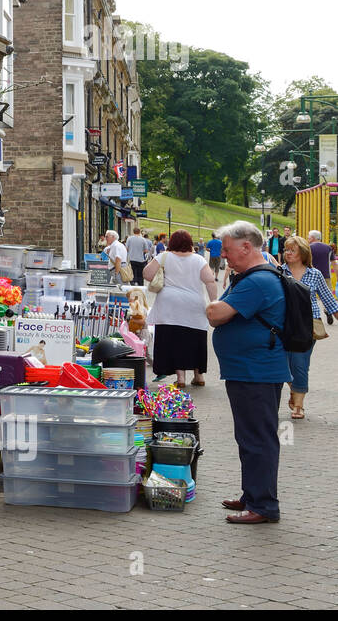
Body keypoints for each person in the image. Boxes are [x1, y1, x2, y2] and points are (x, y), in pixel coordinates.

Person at [206, 221, 290, 524]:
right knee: (250, 436)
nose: (224, 256)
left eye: (227, 250)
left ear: (246, 246)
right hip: (249, 371)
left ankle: (264, 506)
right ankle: (252, 494)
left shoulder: (257, 282)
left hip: (257, 373)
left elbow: (216, 314)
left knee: (258, 439)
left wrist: (215, 306)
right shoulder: (249, 277)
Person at [144, 230, 217, 386]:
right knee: (196, 338)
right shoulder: (198, 259)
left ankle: (181, 378)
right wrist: (214, 302)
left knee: (174, 340)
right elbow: (210, 281)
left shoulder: (164, 256)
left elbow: (147, 275)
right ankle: (199, 376)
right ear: (190, 243)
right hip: (194, 303)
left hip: (169, 304)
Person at [280, 235, 337, 420]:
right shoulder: (279, 272)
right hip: (284, 324)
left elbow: (329, 300)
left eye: (292, 250)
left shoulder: (315, 274)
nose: (288, 253)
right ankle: (294, 388)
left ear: (303, 253)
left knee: (300, 364)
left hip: (308, 326)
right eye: (286, 249)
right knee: (284, 365)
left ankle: (298, 405)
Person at [306, 231, 334, 323]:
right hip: (326, 276)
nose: (308, 239)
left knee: (310, 296)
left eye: (309, 237)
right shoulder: (328, 248)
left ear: (313, 238)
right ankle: (328, 310)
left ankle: (313, 316)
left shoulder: (308, 248)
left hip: (311, 276)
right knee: (327, 295)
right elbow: (334, 263)